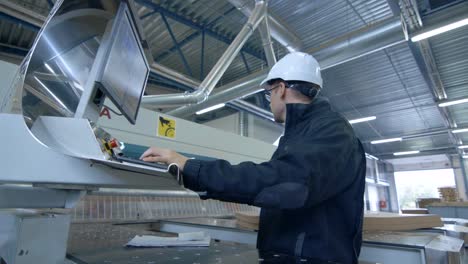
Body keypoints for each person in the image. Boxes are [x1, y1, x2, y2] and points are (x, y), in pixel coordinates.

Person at [141, 52, 366, 264]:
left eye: (269, 93)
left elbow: (283, 183)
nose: (269, 101)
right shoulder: (303, 134)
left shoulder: (331, 131)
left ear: (281, 89)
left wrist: (191, 167)